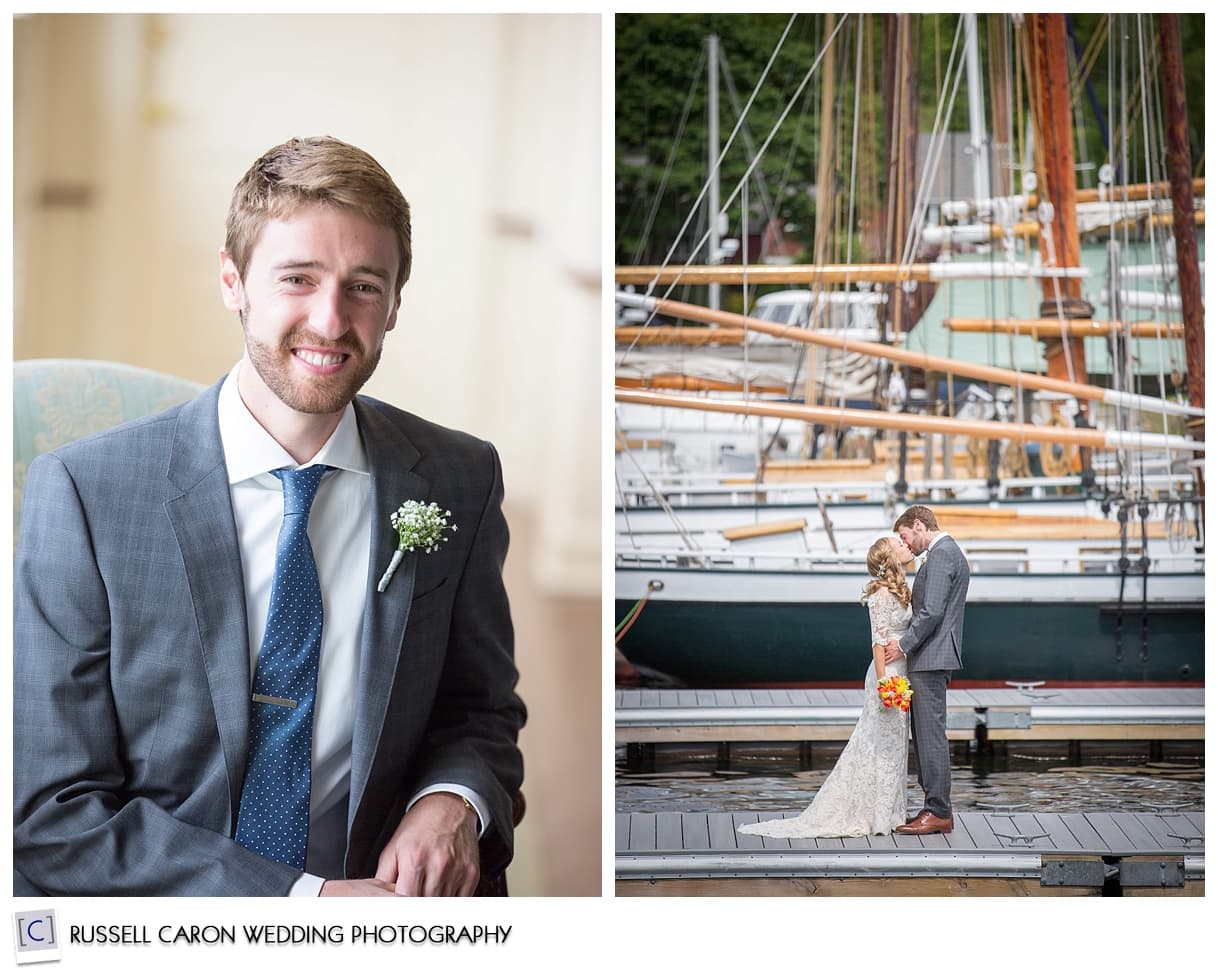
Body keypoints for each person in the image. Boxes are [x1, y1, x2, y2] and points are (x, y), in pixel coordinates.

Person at [13, 136, 526, 896]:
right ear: (233, 279)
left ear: (394, 304)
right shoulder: (85, 494)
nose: (330, 319)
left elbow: (478, 711)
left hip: (392, 919)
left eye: (364, 286)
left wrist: (450, 799)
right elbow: (51, 813)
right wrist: (302, 906)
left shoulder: (459, 476)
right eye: (297, 278)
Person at [738, 535, 916, 839]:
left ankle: (891, 810)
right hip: (887, 674)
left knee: (895, 744)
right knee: (877, 743)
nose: (905, 546)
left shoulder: (900, 591)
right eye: (898, 545)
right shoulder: (881, 596)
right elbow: (877, 641)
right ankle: (875, 813)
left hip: (903, 670)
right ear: (889, 559)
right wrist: (884, 680)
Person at [885, 504, 969, 836]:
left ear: (919, 525)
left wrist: (903, 644)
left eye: (906, 536)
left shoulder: (942, 555)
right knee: (925, 734)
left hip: (931, 658)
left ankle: (938, 811)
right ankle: (932, 806)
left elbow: (931, 612)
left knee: (930, 735)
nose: (907, 544)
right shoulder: (946, 554)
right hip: (933, 657)